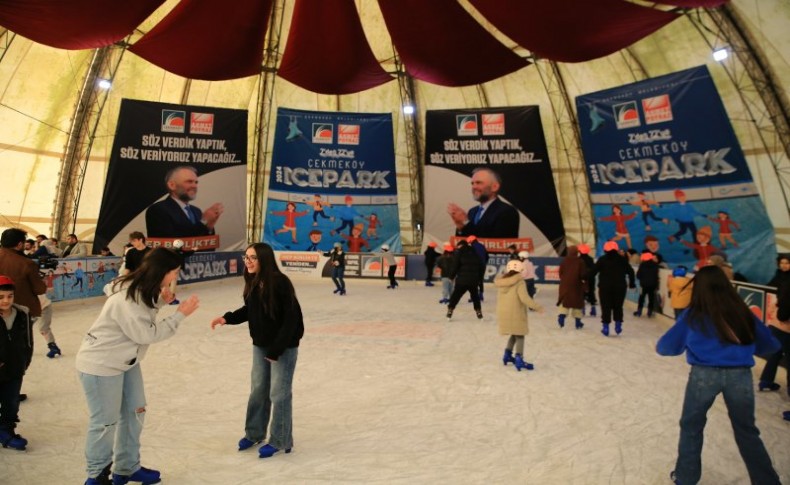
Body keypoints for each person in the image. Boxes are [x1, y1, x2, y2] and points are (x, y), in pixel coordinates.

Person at [76, 248, 199, 485]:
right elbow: (146, 333)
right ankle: (96, 476)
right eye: (173, 272)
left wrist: (161, 301)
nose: (175, 277)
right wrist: (179, 315)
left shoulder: (140, 288)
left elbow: (143, 313)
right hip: (101, 364)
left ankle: (126, 467)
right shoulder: (126, 299)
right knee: (105, 423)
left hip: (126, 361)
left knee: (135, 412)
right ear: (161, 271)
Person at [656, 265, 781, 485]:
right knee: (746, 431)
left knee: (692, 426)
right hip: (740, 377)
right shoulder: (743, 313)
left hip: (703, 376)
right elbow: (770, 346)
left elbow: (665, 347)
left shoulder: (693, 316)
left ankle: (686, 477)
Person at [210, 243, 304, 459]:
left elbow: (292, 321)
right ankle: (254, 433)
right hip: (260, 345)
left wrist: (277, 349)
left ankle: (281, 440)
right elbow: (250, 310)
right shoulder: (252, 281)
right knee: (259, 390)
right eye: (246, 257)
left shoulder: (280, 283)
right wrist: (227, 318)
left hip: (283, 347)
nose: (248, 261)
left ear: (264, 259)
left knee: (279, 393)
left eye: (253, 257)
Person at [0, 229, 48, 354]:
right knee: (19, 344)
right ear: (20, 244)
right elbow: (39, 289)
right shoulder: (26, 263)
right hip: (21, 309)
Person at [0, 275, 33, 451]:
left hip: (15, 367)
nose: (6, 301)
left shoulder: (22, 313)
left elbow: (28, 339)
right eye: (1, 297)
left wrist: (25, 359)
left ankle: (6, 430)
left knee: (11, 401)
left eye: (10, 296)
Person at [145, 165, 224, 238]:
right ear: (172, 185)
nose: (194, 186)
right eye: (189, 181)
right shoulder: (157, 210)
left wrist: (209, 227)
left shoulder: (197, 211)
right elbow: (172, 244)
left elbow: (208, 249)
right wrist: (203, 221)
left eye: (196, 182)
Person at [495, 260, 544, 372]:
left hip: (504, 312)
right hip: (515, 312)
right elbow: (525, 298)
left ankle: (507, 355)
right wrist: (537, 307)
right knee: (520, 334)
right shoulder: (519, 282)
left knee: (515, 333)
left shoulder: (503, 280)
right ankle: (519, 359)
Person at [447, 167, 519, 238]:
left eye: (478, 183)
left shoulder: (507, 212)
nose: (474, 187)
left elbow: (494, 244)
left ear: (495, 187)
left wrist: (466, 222)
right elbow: (462, 243)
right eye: (472, 183)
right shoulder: (472, 212)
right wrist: (460, 227)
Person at [758, 254, 790, 393]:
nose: (784, 265)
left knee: (776, 352)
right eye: (782, 262)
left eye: (787, 263)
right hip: (783, 325)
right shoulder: (781, 278)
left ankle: (766, 380)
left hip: (778, 324)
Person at [590, 241, 635, 337]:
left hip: (605, 287)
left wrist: (586, 279)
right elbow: (631, 272)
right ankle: (618, 326)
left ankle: (605, 327)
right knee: (618, 306)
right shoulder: (622, 260)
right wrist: (632, 284)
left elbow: (593, 272)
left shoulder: (602, 260)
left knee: (606, 306)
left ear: (605, 249)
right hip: (620, 287)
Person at [446, 240, 483, 320]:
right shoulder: (475, 253)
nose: (458, 248)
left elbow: (455, 266)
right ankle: (478, 311)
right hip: (473, 280)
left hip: (462, 280)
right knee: (475, 296)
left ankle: (450, 309)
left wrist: (451, 277)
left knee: (456, 296)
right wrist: (479, 279)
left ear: (461, 245)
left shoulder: (459, 253)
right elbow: (481, 267)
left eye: (458, 246)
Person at [556, 245, 587, 330]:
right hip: (576, 286)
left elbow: (560, 273)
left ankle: (561, 317)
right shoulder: (581, 261)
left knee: (565, 302)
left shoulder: (564, 261)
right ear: (577, 252)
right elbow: (583, 274)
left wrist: (565, 280)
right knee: (577, 304)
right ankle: (578, 322)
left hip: (565, 285)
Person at [634, 252, 659, 318]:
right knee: (651, 299)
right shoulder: (655, 265)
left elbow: (638, 275)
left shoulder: (642, 265)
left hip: (643, 285)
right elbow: (656, 276)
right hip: (653, 285)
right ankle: (649, 313)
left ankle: (639, 312)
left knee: (641, 298)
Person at [577, 243, 597, 316]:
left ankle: (582, 310)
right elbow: (594, 269)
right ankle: (593, 309)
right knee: (591, 292)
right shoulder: (591, 259)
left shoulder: (578, 259)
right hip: (590, 279)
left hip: (581, 279)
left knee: (581, 294)